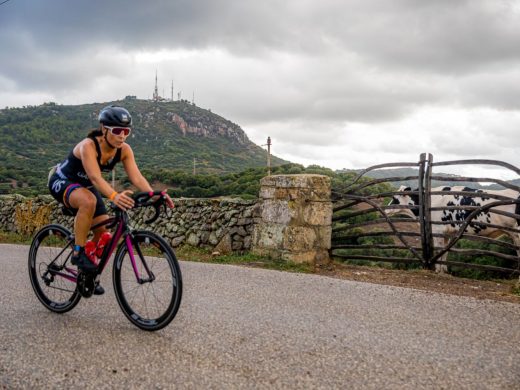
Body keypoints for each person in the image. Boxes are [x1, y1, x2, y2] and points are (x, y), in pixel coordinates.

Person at [48, 105, 174, 295]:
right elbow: (95, 178)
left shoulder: (124, 150)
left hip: (87, 187)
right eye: (117, 131)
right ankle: (77, 252)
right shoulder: (88, 146)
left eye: (126, 131)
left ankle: (87, 274)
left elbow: (137, 178)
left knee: (103, 235)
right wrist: (115, 196)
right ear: (104, 129)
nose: (122, 136)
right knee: (88, 201)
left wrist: (154, 195)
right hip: (63, 180)